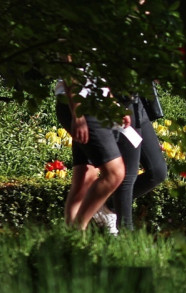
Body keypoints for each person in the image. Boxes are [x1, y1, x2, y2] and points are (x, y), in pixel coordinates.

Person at [56, 69, 126, 233]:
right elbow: (68, 70)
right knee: (115, 173)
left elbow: (97, 73)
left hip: (93, 104)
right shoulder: (73, 43)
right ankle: (76, 232)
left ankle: (70, 242)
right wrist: (78, 116)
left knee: (85, 177)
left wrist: (112, 103)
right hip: (81, 106)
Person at [106, 87, 169, 231]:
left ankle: (106, 205)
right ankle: (126, 232)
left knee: (158, 171)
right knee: (129, 174)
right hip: (120, 103)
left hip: (136, 102)